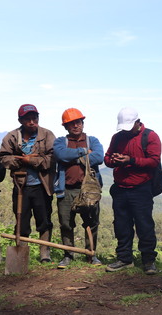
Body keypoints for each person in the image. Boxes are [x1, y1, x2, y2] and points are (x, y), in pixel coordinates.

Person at [104, 107, 162, 275]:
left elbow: (153, 161)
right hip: (120, 188)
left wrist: (131, 160)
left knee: (145, 225)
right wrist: (114, 161)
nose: (126, 132)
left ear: (138, 122)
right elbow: (107, 158)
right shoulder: (117, 137)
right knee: (122, 225)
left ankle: (148, 261)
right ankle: (124, 258)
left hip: (142, 188)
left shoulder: (150, 137)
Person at [0, 104, 56, 262]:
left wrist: (30, 160)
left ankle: (45, 253)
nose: (32, 122)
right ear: (21, 120)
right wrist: (18, 162)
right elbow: (3, 157)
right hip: (20, 186)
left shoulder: (47, 135)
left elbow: (52, 159)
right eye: (28, 119)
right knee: (21, 220)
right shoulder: (11, 137)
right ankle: (21, 254)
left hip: (42, 186)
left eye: (34, 118)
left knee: (44, 220)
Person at [53, 108, 104, 269]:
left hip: (88, 191)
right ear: (66, 127)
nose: (76, 125)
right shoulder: (61, 141)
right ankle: (68, 255)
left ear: (83, 123)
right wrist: (83, 153)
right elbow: (60, 155)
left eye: (78, 122)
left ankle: (91, 254)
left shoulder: (92, 140)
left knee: (91, 223)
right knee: (66, 223)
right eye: (71, 123)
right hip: (66, 189)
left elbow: (99, 157)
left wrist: (72, 157)